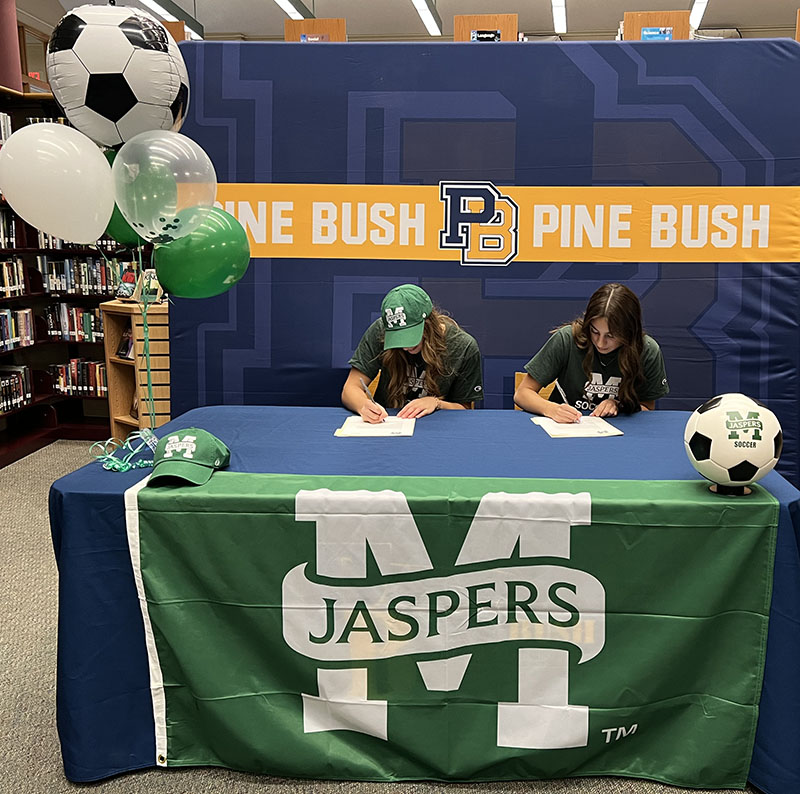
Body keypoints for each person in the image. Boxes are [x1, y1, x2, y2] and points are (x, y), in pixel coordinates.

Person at [514, 282, 668, 422]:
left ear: (629, 332)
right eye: (594, 332)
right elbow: (522, 393)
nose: (601, 343)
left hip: (619, 436)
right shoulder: (567, 339)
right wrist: (551, 409)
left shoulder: (647, 351)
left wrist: (618, 405)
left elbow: (647, 407)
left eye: (610, 336)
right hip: (565, 429)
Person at [342, 284, 483, 423]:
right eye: (397, 337)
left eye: (410, 336)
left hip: (437, 427)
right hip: (388, 424)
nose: (404, 347)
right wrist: (363, 405)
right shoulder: (380, 330)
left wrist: (436, 403)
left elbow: (465, 408)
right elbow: (350, 388)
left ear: (429, 323)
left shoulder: (463, 346)